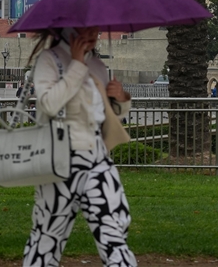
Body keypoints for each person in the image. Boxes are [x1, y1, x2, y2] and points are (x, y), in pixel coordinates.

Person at [22, 26, 136, 266]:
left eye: (96, 27)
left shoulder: (98, 66)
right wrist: (75, 65)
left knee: (114, 229)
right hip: (59, 161)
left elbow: (104, 116)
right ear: (68, 28)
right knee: (47, 238)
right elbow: (49, 104)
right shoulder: (49, 60)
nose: (94, 32)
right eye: (86, 26)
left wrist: (121, 100)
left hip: (97, 159)